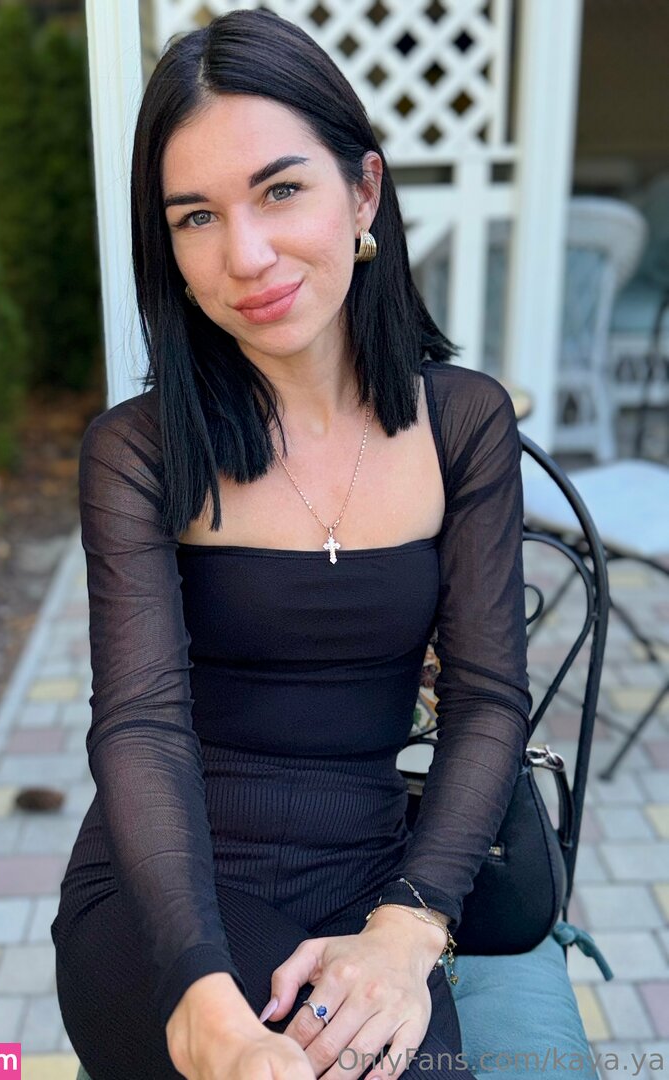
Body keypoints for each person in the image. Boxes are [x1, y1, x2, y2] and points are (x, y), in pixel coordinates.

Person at [50, 9, 533, 1080]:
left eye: (280, 191)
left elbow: (490, 698)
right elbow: (139, 724)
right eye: (195, 217)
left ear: (362, 193)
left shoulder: (462, 424)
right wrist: (200, 994)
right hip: (163, 899)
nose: (246, 255)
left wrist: (411, 925)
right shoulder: (139, 452)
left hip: (371, 887)